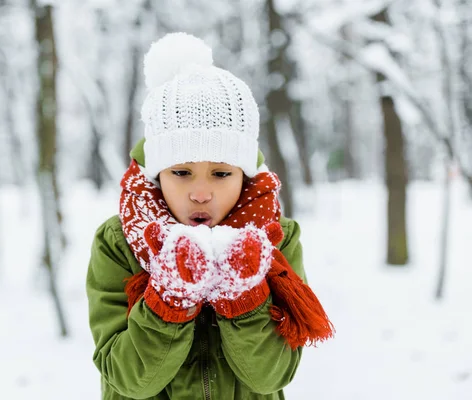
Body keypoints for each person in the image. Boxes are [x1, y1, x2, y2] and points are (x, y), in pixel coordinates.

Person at [86, 32, 334, 400]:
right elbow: (129, 379)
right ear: (157, 173)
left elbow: (272, 376)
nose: (200, 193)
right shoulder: (119, 242)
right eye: (181, 172)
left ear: (245, 174)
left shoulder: (275, 238)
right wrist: (168, 299)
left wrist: (246, 295)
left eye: (221, 174)